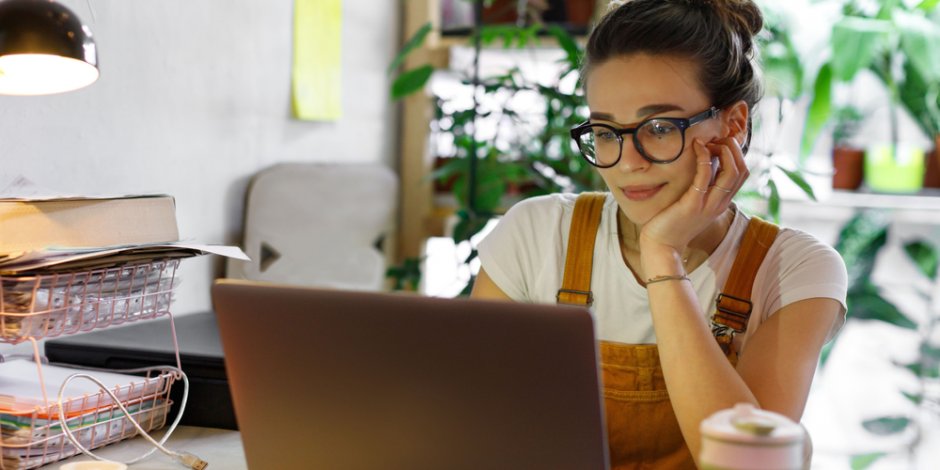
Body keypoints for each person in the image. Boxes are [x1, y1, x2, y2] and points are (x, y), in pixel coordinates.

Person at [470, 0, 848, 468]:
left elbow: (745, 465)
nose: (628, 161)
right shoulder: (536, 233)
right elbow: (471, 423)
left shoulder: (794, 269)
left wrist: (662, 255)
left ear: (733, 124)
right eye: (606, 132)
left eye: (660, 127)